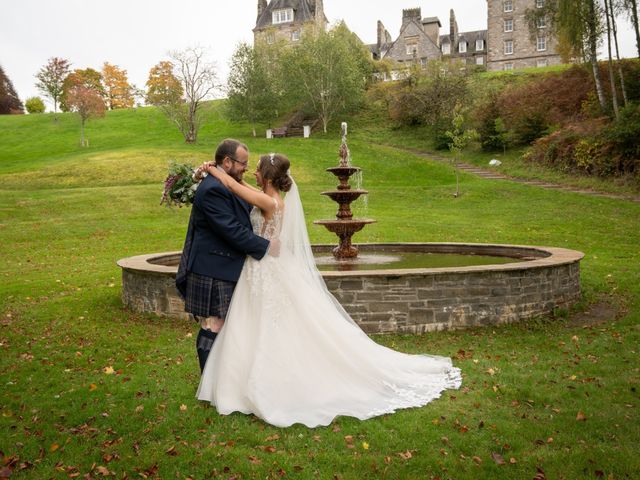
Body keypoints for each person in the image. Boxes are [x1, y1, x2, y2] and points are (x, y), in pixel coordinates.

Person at [196, 153, 462, 428]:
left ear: (268, 176)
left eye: (258, 169)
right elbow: (246, 190)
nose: (252, 173)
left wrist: (215, 172)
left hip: (265, 269)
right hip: (262, 267)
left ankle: (270, 381)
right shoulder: (270, 197)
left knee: (269, 324)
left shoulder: (270, 201)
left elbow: (236, 188)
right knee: (256, 322)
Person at [175, 139, 273, 373]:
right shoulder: (213, 190)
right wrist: (266, 247)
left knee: (224, 325)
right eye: (243, 163)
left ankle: (219, 380)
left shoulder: (224, 183)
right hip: (213, 268)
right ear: (227, 161)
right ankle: (208, 380)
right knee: (213, 325)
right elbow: (232, 230)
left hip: (222, 265)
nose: (245, 168)